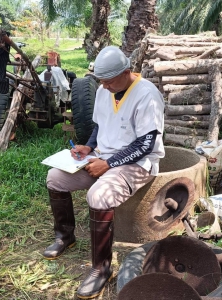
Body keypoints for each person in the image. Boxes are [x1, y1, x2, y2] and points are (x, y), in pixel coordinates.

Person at [44, 46, 165, 299]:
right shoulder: (103, 90)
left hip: (138, 164)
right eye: (102, 81)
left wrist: (109, 165)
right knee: (55, 178)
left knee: (98, 196)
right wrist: (88, 146)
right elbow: (100, 125)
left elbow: (146, 144)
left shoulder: (147, 95)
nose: (105, 86)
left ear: (126, 72)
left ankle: (102, 268)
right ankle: (65, 236)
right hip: (103, 158)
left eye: (109, 82)